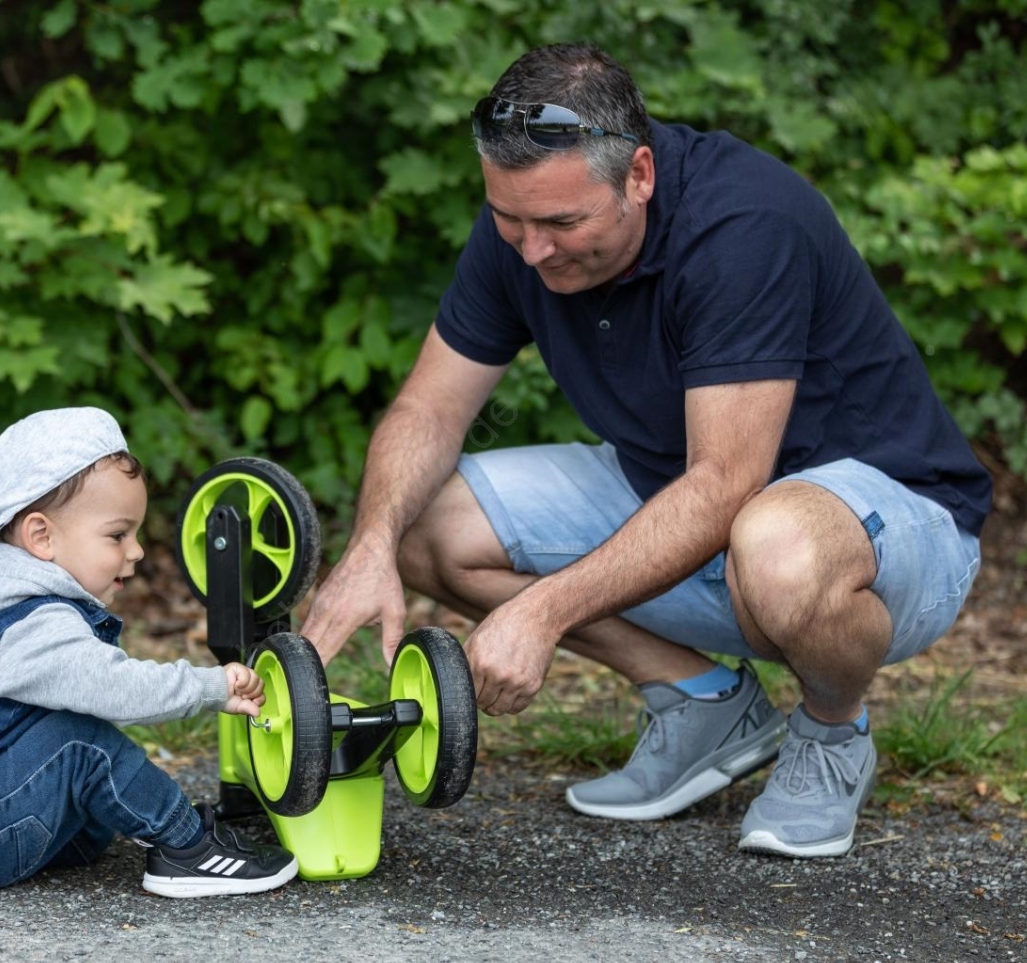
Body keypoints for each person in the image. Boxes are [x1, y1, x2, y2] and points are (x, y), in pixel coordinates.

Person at [300, 43, 990, 858]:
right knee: (423, 524)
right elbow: (428, 407)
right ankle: (705, 704)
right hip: (692, 503)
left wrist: (542, 611)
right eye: (510, 219)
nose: (532, 250)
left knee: (775, 542)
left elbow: (727, 483)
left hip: (887, 528)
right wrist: (370, 546)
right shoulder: (524, 223)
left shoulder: (743, 226)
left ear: (639, 175)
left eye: (562, 224)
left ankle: (832, 731)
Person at [0, 407, 298, 896]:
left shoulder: (0, 596)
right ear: (42, 537)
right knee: (79, 740)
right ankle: (187, 847)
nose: (137, 551)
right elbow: (114, 687)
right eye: (118, 535)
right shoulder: (29, 619)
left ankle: (79, 830)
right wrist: (211, 687)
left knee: (77, 741)